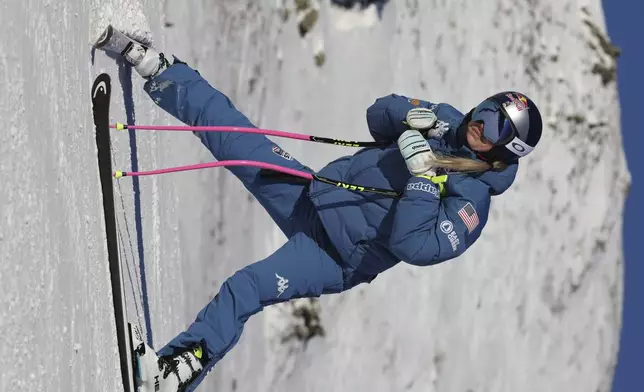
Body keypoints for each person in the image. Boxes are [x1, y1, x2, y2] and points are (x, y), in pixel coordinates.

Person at [94, 26, 543, 392]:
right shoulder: (446, 120)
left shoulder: (472, 202)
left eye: (494, 129)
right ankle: (159, 69)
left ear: (503, 152)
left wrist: (424, 178)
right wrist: (409, 116)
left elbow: (415, 245)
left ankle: (175, 371)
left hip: (337, 256)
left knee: (246, 287)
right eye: (485, 112)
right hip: (318, 193)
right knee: (237, 139)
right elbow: (377, 115)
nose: (479, 126)